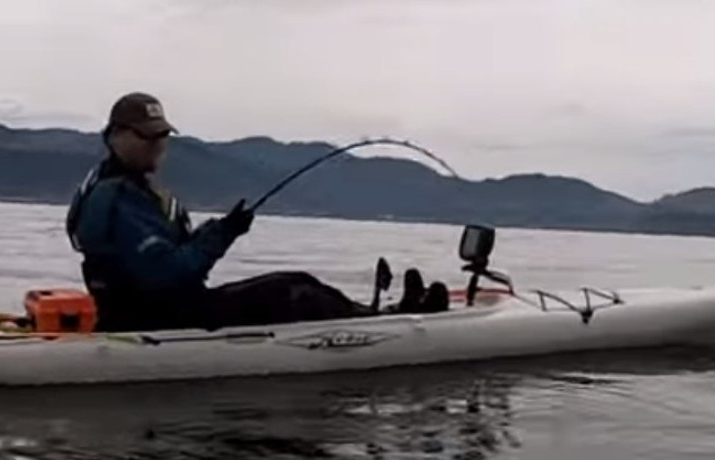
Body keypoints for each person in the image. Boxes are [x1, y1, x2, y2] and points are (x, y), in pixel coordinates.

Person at [65, 91, 447, 332]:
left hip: (165, 309)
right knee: (293, 292)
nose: (158, 144)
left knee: (297, 280)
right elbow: (170, 274)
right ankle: (387, 325)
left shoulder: (125, 188)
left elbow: (170, 261)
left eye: (163, 135)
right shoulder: (118, 198)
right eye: (147, 135)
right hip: (159, 320)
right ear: (116, 136)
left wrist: (224, 229)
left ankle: (382, 315)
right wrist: (220, 235)